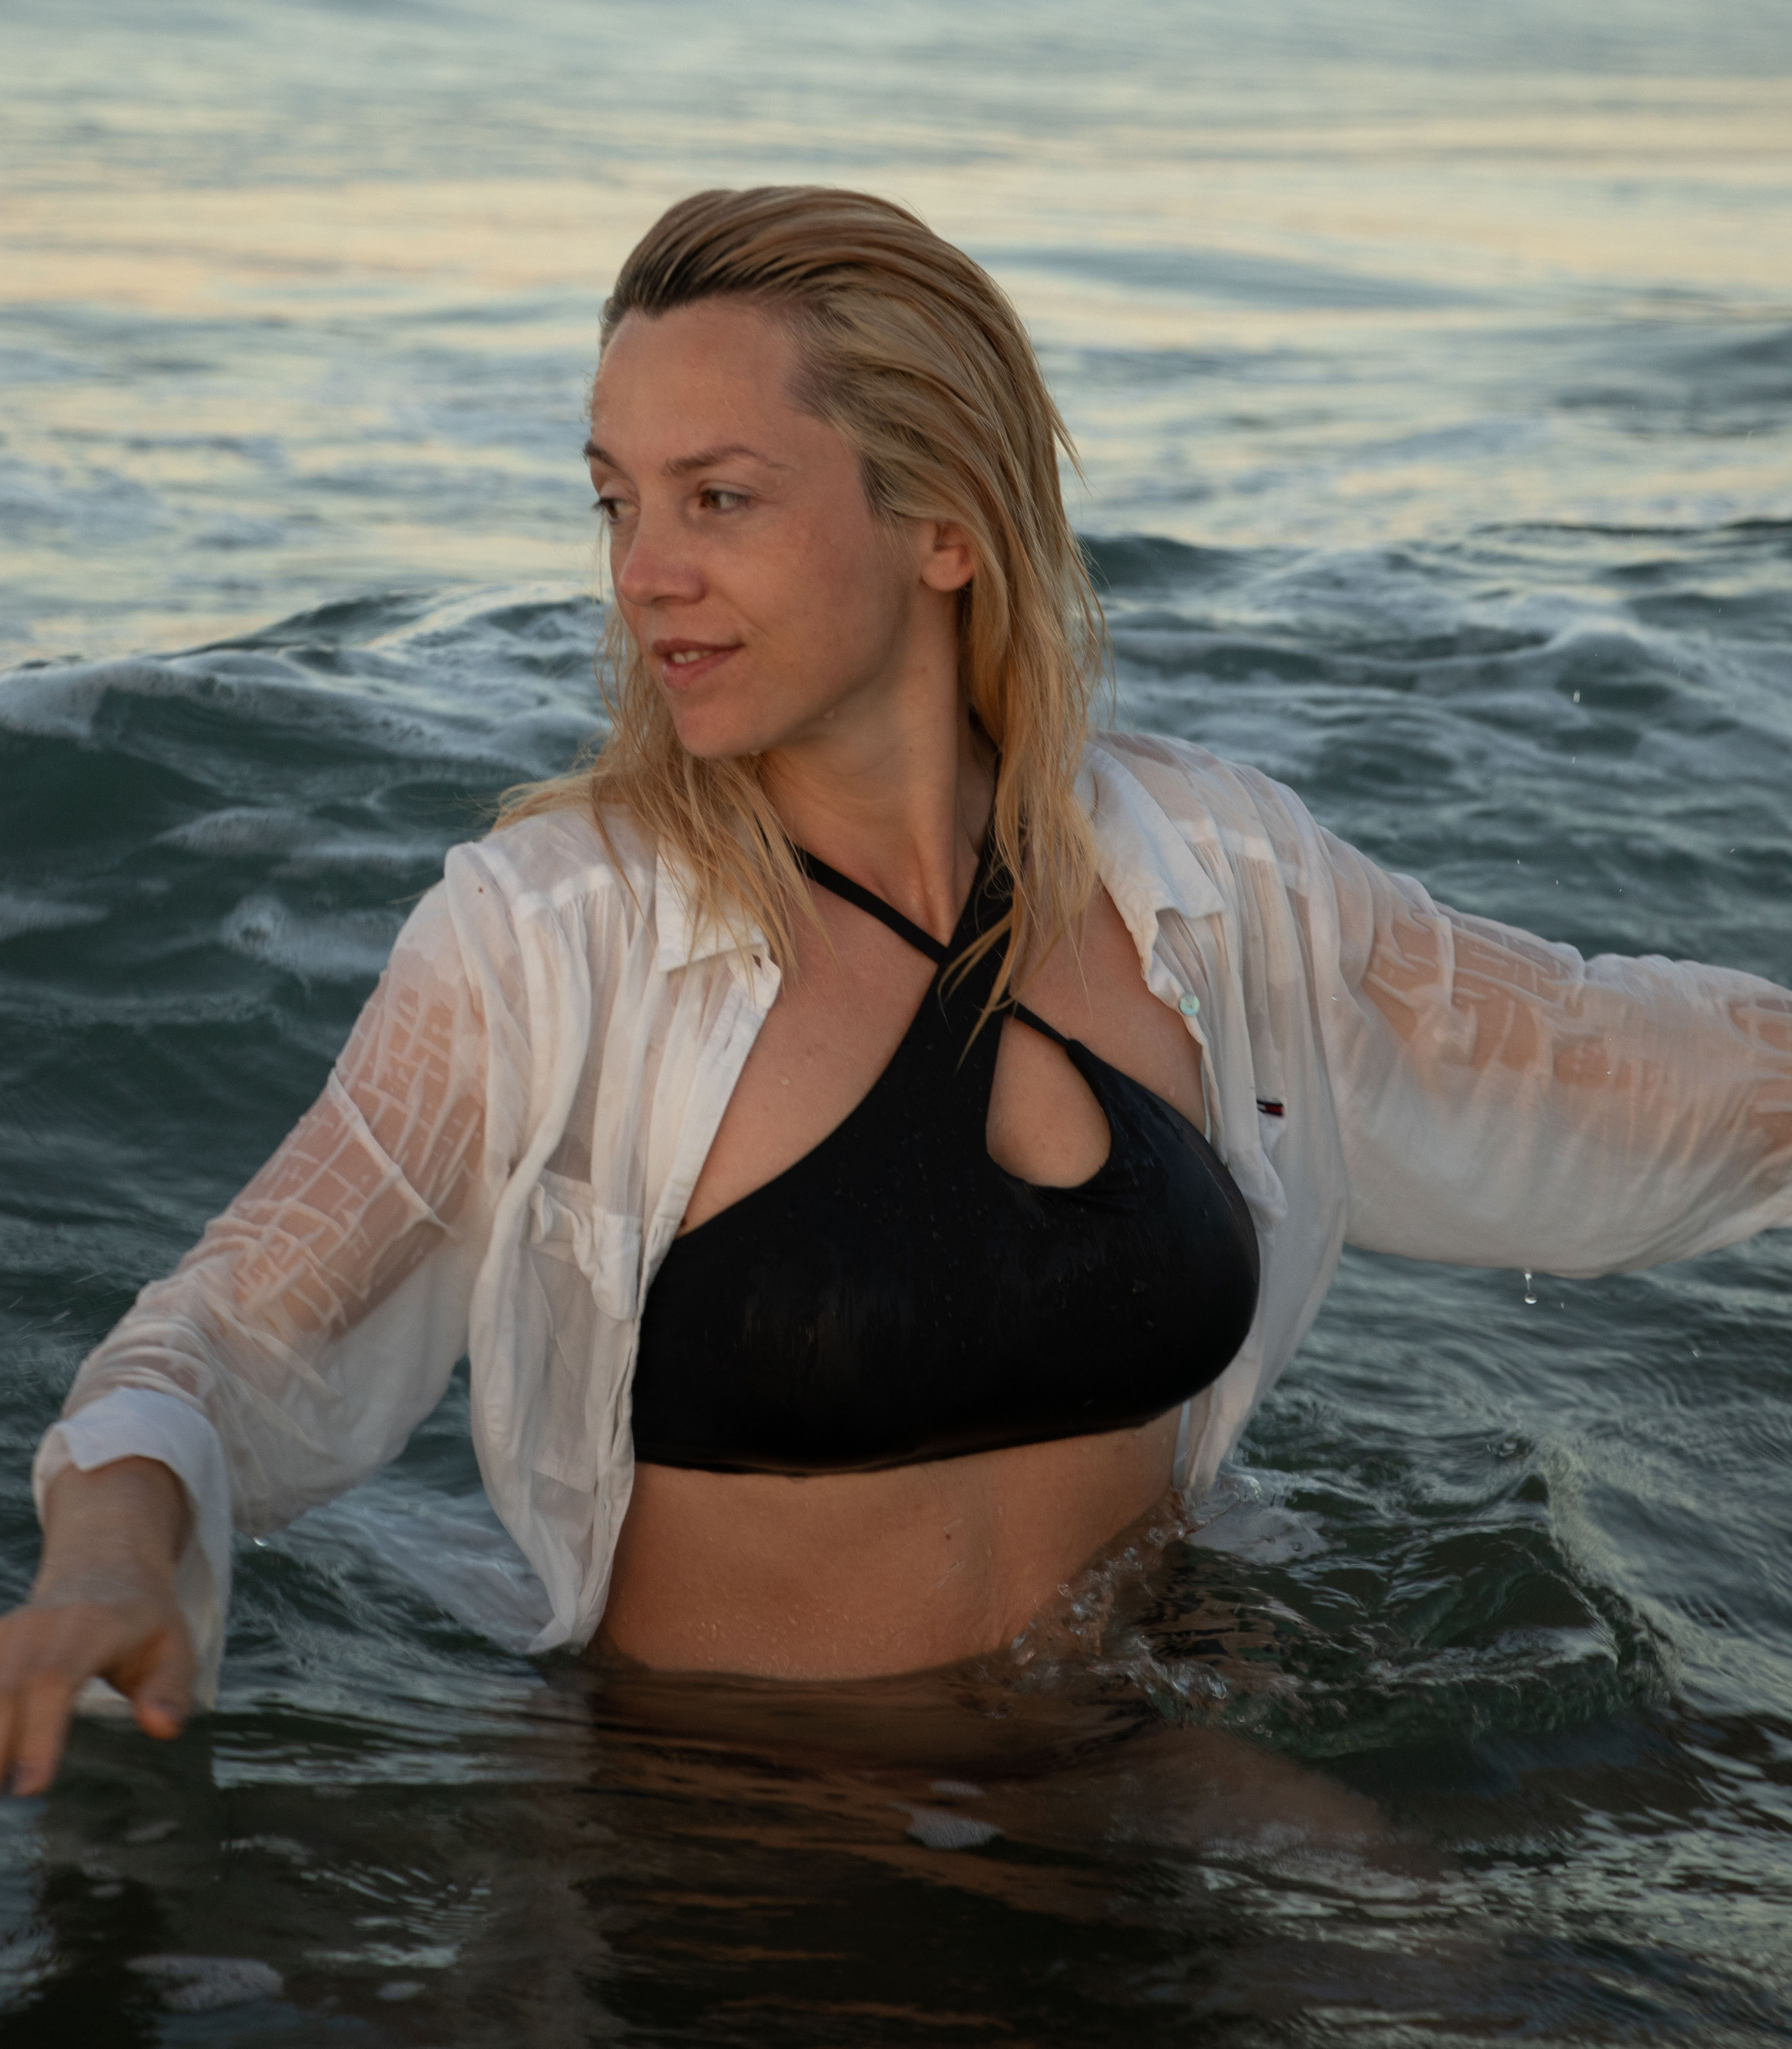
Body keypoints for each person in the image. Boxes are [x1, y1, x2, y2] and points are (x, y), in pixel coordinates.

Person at [5, 187, 1789, 1800]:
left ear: (943, 525)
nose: (642, 574)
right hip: (739, 1831)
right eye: (617, 503)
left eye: (718, 500)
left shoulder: (1205, 879)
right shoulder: (554, 940)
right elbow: (222, 1340)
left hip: (1152, 1732)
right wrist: (105, 1553)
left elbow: (1628, 1072)